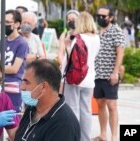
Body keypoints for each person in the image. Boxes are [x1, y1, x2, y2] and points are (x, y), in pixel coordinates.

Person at [14, 59, 80, 141]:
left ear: (43, 87)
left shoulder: (64, 124)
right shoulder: (31, 110)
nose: (22, 87)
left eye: (27, 82)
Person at [63, 11, 100, 141]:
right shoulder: (96, 38)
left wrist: (67, 45)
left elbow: (70, 59)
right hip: (89, 79)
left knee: (73, 108)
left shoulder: (78, 38)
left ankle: (74, 137)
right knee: (86, 111)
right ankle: (85, 138)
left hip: (75, 79)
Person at [93, 6, 125, 141]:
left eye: (103, 16)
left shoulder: (116, 31)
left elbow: (120, 52)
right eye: (98, 15)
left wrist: (115, 72)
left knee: (111, 105)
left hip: (110, 75)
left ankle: (114, 137)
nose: (100, 18)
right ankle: (103, 134)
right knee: (100, 104)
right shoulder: (95, 31)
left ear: (111, 17)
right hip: (96, 74)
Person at [0, 10, 29, 113]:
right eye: (2, 22)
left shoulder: (22, 43)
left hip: (13, 86)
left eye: (7, 22)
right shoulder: (1, 42)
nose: (4, 25)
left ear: (17, 24)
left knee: (13, 120)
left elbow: (15, 68)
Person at [57, 9, 79, 94]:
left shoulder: (82, 35)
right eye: (69, 20)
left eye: (73, 20)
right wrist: (64, 66)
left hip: (77, 69)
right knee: (61, 94)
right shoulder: (65, 35)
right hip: (66, 69)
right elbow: (60, 52)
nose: (71, 22)